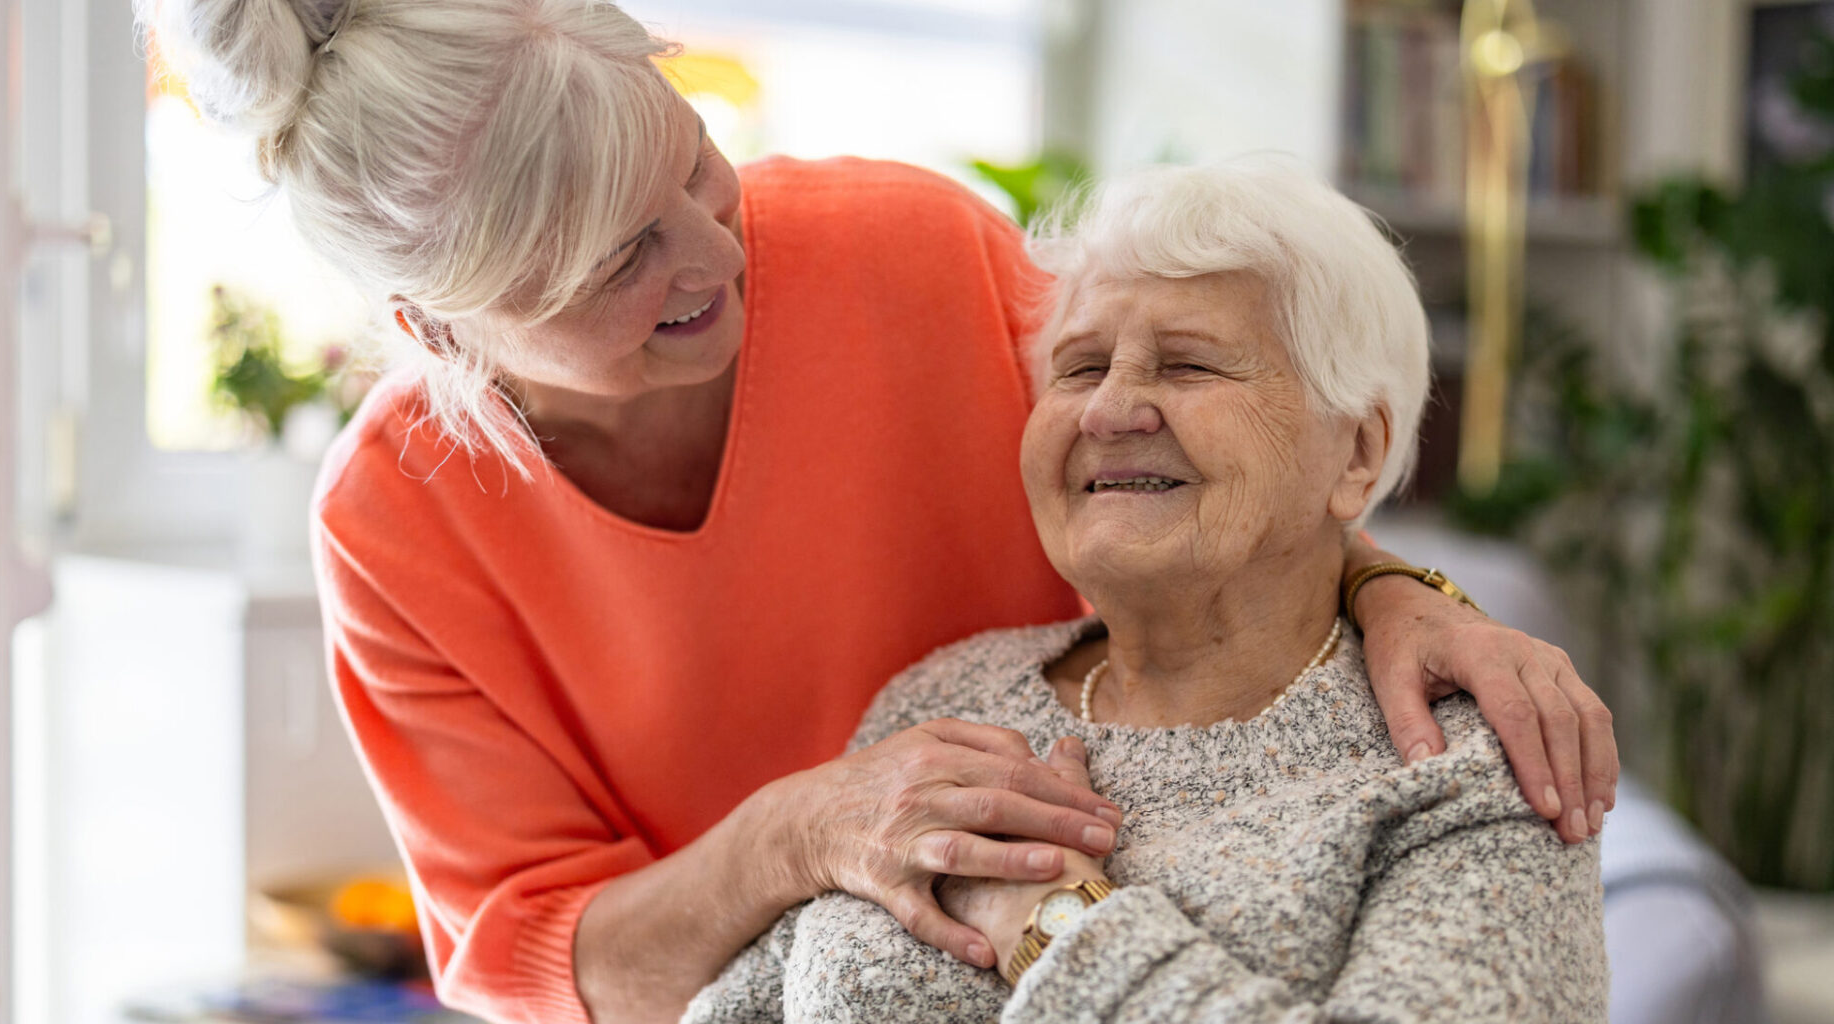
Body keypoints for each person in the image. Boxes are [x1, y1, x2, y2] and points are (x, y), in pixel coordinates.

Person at [143, 1, 1618, 1021]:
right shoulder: (396, 528)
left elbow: (1196, 447)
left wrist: (1396, 591)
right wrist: (806, 836)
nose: (710, 250)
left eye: (692, 163)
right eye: (617, 264)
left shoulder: (896, 251)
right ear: (449, 331)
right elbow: (544, 960)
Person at [686, 158, 1608, 1023]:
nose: (1107, 408)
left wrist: (1052, 925)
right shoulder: (941, 701)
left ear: (1356, 452)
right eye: (1080, 367)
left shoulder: (1475, 762)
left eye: (1190, 364)